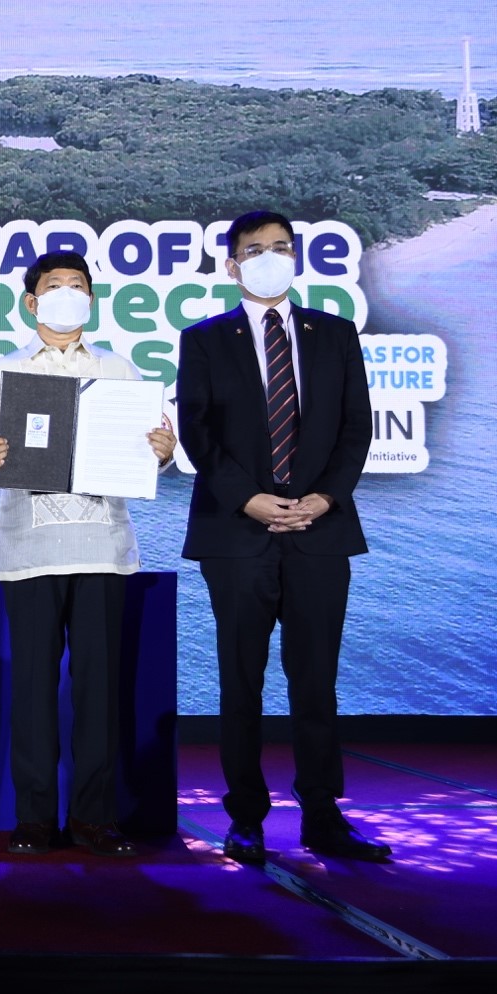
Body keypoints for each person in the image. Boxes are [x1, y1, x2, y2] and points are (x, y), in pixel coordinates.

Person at [177, 210, 388, 862]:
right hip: (236, 532)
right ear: (231, 265)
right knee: (240, 683)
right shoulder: (205, 339)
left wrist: (323, 497)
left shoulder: (334, 333)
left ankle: (323, 816)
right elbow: (197, 432)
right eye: (254, 250)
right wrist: (252, 499)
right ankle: (245, 818)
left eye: (280, 248)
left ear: (294, 257)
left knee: (315, 681)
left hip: (320, 534)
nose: (269, 257)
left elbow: (356, 427)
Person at [0, 251, 175, 858]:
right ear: (31, 302)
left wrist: (161, 449)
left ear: (91, 300)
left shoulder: (119, 369)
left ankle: (94, 817)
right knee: (32, 686)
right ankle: (33, 818)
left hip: (102, 544)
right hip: (29, 545)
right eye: (54, 287)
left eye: (78, 287)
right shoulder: (2, 373)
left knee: (99, 687)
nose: (67, 296)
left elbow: (149, 457)